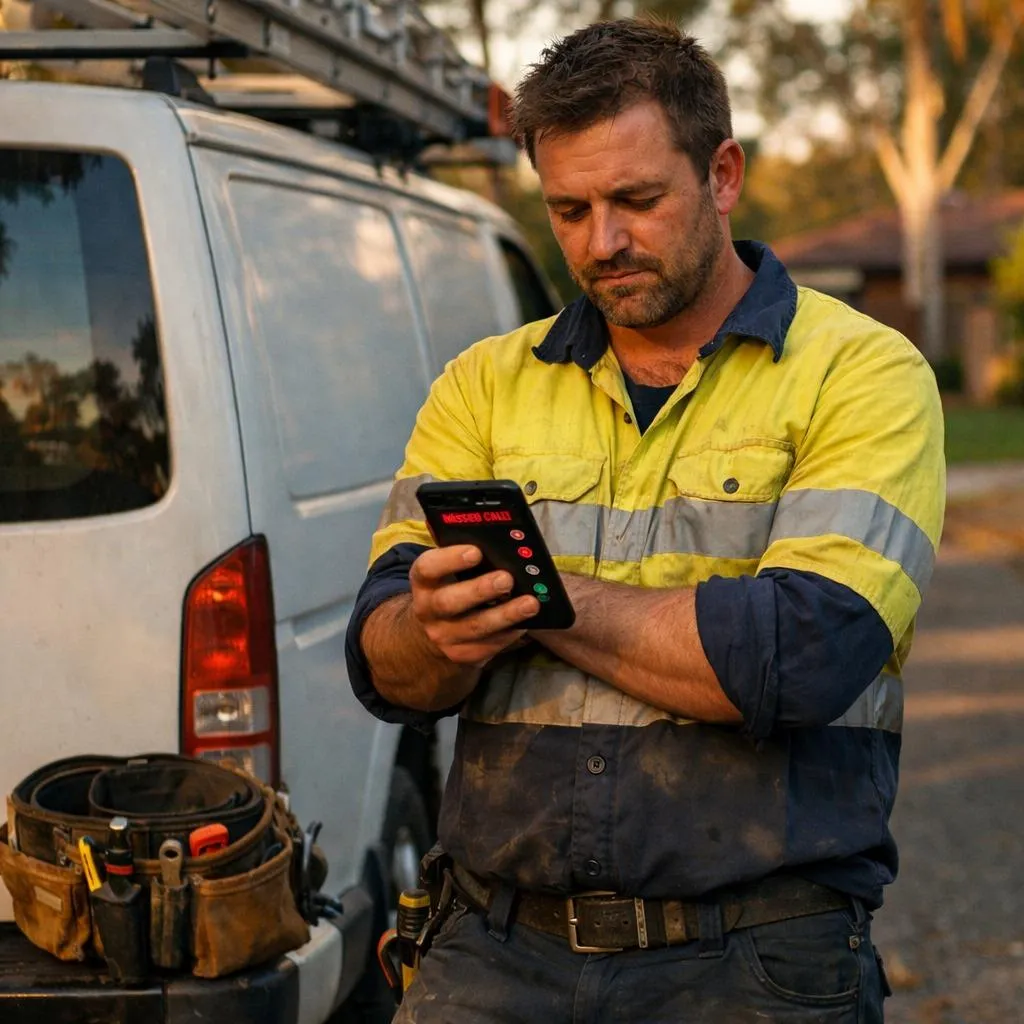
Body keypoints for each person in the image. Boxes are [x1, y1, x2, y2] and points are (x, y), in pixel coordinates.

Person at [344, 17, 945, 1023]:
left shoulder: (861, 372)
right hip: (487, 950)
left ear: (721, 174)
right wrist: (430, 632)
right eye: (568, 209)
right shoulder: (484, 383)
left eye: (635, 199)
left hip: (757, 958)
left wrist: (537, 598)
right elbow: (383, 666)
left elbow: (795, 657)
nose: (600, 241)